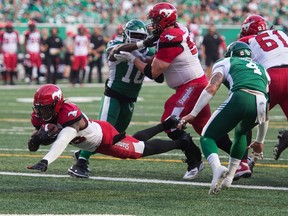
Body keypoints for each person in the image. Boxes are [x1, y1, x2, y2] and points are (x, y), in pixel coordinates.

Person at [113, 2, 238, 180]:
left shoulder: (171, 36)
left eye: (156, 20)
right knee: (206, 129)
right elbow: (153, 50)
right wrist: (135, 48)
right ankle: (242, 159)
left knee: (169, 121)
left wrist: (132, 59)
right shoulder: (174, 29)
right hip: (195, 83)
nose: (153, 24)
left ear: (165, 20)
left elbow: (154, 73)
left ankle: (194, 158)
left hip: (191, 85)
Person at [26, 84, 195, 179]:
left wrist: (45, 160)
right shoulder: (40, 116)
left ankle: (182, 142)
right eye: (39, 109)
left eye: (46, 109)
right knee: (133, 141)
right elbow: (33, 143)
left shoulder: (69, 114)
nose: (41, 113)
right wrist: (35, 140)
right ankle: (165, 125)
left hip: (103, 139)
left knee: (138, 150)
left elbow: (64, 139)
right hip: (95, 139)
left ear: (56, 105)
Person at [68, 19, 163, 178]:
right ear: (126, 34)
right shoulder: (116, 44)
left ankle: (82, 153)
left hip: (131, 98)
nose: (138, 39)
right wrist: (144, 44)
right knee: (102, 132)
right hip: (113, 95)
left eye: (141, 36)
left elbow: (158, 72)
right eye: (134, 36)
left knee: (117, 135)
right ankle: (80, 163)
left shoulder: (150, 51)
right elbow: (117, 51)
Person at [178, 41, 270, 195]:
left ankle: (217, 168)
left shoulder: (226, 61)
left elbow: (212, 87)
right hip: (261, 103)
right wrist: (260, 141)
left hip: (240, 97)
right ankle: (230, 177)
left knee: (207, 136)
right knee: (240, 132)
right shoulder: (262, 70)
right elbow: (266, 106)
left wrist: (193, 113)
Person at [239, 15, 288, 161]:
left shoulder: (247, 40)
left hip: (272, 75)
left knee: (244, 121)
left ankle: (242, 163)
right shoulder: (281, 33)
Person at [24, 20, 43, 84]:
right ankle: (30, 78)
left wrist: (41, 51)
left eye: (32, 26)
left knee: (38, 66)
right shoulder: (27, 33)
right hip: (30, 51)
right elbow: (25, 42)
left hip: (37, 51)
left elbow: (40, 42)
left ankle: (38, 79)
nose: (31, 27)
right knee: (30, 66)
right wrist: (26, 52)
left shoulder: (38, 32)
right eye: (30, 26)